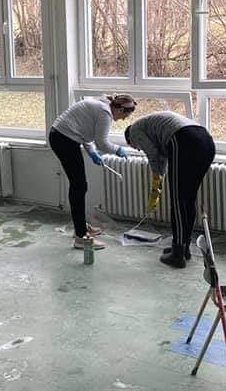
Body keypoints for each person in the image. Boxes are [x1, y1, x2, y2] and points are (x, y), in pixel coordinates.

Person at [125, 112, 215, 268]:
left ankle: (178, 254)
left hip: (185, 140)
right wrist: (160, 177)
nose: (138, 149)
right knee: (188, 199)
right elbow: (163, 157)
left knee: (178, 201)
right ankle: (184, 248)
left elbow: (152, 153)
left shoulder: (134, 131)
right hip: (206, 142)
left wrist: (156, 177)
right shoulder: (153, 126)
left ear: (129, 140)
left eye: (135, 147)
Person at [49, 94, 136, 250]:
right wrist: (118, 149)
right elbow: (102, 143)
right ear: (120, 109)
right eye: (125, 115)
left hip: (62, 137)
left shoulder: (101, 106)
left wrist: (92, 152)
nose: (123, 119)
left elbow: (85, 132)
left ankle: (81, 227)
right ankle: (81, 237)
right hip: (64, 140)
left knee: (79, 186)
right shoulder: (105, 113)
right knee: (79, 186)